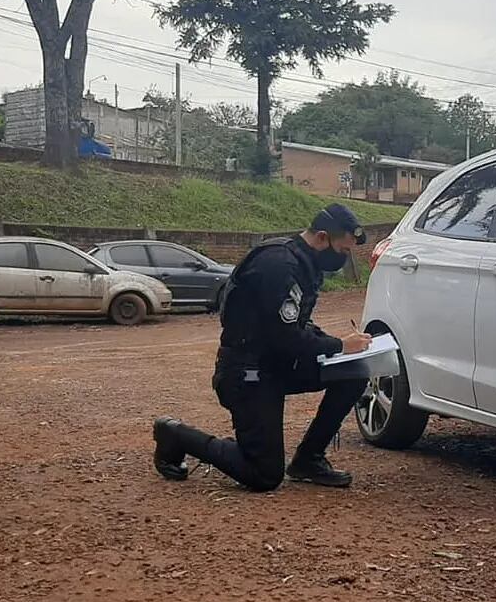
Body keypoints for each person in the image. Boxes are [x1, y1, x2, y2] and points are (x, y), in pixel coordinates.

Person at [152, 203, 373, 491]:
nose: (344, 258)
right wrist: (340, 345)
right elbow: (285, 338)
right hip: (247, 373)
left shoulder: (303, 263)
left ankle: (309, 460)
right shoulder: (278, 266)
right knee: (263, 474)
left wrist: (336, 345)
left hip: (277, 364)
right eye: (343, 251)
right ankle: (175, 435)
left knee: (354, 373)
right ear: (322, 237)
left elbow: (294, 326)